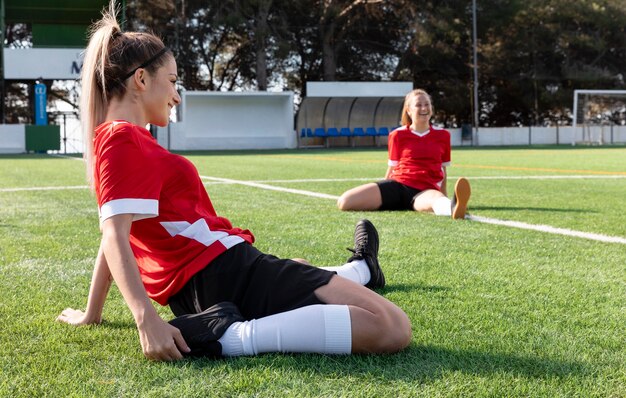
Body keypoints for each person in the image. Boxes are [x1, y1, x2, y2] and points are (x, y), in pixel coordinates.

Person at [56, 1, 411, 362]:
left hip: (209, 279)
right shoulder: (122, 139)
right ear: (141, 79)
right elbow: (115, 235)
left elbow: (120, 232)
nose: (177, 95)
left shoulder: (120, 139)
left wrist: (93, 312)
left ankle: (363, 269)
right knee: (390, 324)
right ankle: (227, 336)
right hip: (224, 271)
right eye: (173, 82)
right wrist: (146, 319)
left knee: (300, 265)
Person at [337, 89, 471, 219]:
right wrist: (384, 189)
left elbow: (443, 169)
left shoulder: (443, 135)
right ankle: (395, 202)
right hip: (397, 186)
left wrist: (443, 194)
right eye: (418, 105)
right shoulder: (397, 135)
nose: (424, 108)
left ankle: (453, 206)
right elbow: (392, 167)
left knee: (437, 202)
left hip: (425, 190)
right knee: (345, 202)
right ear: (408, 110)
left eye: (427, 104)